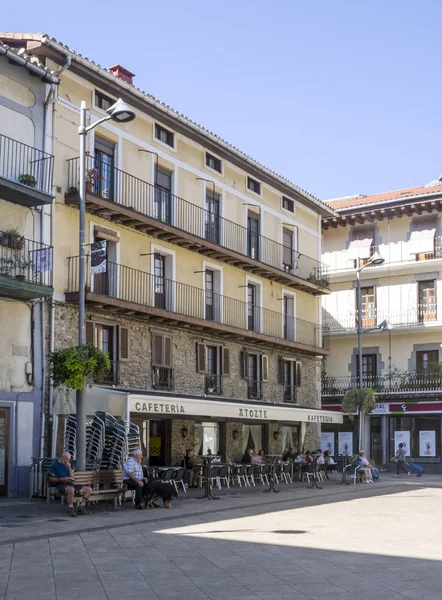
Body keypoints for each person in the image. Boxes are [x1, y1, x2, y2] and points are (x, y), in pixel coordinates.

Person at [49, 451, 92, 517]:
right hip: (61, 484)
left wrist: (69, 468)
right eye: (66, 459)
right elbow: (51, 479)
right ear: (62, 457)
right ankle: (71, 508)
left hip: (71, 483)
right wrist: (63, 479)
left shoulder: (68, 465)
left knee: (89, 489)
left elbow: (72, 477)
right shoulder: (55, 465)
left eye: (68, 460)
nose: (67, 461)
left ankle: (82, 507)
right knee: (71, 489)